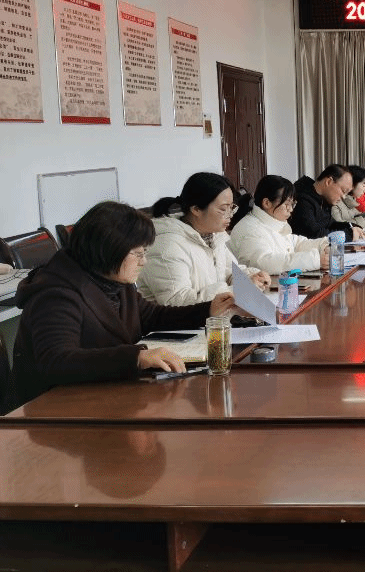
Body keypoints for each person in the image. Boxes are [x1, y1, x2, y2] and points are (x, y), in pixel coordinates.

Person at [2, 201, 235, 412]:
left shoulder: (111, 279)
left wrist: (208, 310)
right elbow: (57, 361)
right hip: (54, 412)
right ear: (109, 250)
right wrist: (136, 358)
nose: (144, 261)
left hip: (102, 397)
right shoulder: (56, 294)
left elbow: (152, 316)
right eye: (138, 254)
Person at [138, 172, 270, 306]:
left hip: (215, 316)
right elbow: (176, 303)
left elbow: (230, 273)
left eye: (232, 207)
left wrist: (251, 277)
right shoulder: (168, 246)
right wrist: (239, 290)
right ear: (196, 209)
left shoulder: (214, 236)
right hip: (184, 319)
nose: (230, 215)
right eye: (223, 209)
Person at [228, 174, 329, 275]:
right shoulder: (250, 229)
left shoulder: (273, 222)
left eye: (292, 204)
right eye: (287, 204)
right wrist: (316, 260)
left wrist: (323, 245)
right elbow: (265, 264)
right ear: (267, 203)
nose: (291, 209)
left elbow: (296, 244)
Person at [289, 164, 365, 242]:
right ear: (329, 181)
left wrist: (351, 226)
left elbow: (329, 225)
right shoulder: (302, 199)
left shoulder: (323, 199)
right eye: (343, 191)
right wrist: (348, 235)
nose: (343, 197)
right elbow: (313, 235)